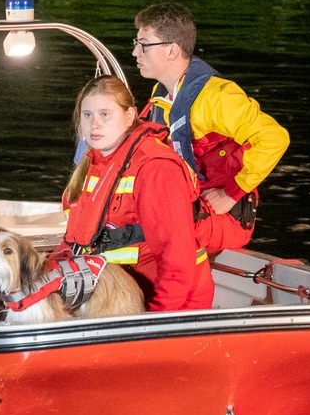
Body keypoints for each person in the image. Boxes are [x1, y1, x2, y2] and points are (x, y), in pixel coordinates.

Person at [133, 2, 289, 253]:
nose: (135, 53)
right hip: (189, 206)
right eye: (136, 44)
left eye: (143, 45)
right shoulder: (161, 94)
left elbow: (274, 137)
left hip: (223, 216)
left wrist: (230, 194)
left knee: (150, 235)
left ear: (172, 50)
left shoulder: (218, 96)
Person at [62, 75, 215, 311]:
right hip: (112, 297)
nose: (95, 125)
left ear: (129, 116)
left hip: (163, 302)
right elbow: (74, 243)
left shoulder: (155, 168)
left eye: (105, 114)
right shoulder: (94, 165)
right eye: (87, 115)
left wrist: (154, 320)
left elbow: (178, 260)